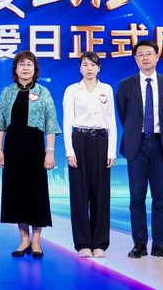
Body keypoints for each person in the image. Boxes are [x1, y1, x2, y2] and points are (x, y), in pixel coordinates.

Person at [116, 39, 163, 260]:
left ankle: (160, 243)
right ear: (135, 59)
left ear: (157, 56)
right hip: (137, 146)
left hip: (161, 145)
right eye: (140, 54)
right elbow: (123, 115)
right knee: (137, 197)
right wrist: (137, 133)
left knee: (160, 198)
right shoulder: (126, 85)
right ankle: (140, 243)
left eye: (149, 54)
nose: (145, 58)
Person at [0, 51, 61, 259]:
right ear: (15, 69)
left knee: (36, 193)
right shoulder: (7, 92)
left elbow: (51, 123)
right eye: (21, 64)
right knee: (16, 193)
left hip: (35, 147)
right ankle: (24, 240)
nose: (25, 68)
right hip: (13, 147)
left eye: (29, 64)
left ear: (35, 69)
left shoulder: (43, 92)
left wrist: (50, 152)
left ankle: (37, 241)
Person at [62, 51, 117, 258]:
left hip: (101, 141)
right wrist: (69, 150)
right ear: (80, 68)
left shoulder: (106, 89)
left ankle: (100, 243)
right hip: (79, 139)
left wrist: (111, 150)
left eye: (93, 65)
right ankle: (83, 244)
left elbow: (111, 121)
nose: (89, 69)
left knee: (101, 194)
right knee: (79, 194)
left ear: (99, 68)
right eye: (85, 65)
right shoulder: (72, 90)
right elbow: (67, 121)